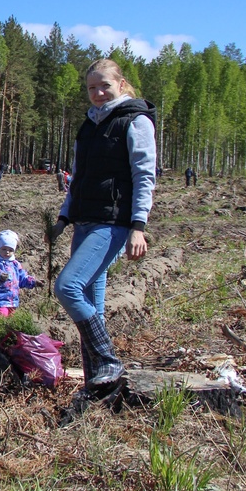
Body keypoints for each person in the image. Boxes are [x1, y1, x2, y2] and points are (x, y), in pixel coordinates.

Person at [48, 59, 156, 401]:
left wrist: (138, 227)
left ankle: (108, 360)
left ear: (121, 85)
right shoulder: (89, 126)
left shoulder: (135, 121)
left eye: (104, 86)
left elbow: (144, 176)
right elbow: (77, 176)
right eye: (91, 88)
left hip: (113, 223)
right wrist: (64, 218)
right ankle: (96, 387)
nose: (98, 93)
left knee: (68, 287)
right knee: (92, 306)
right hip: (83, 221)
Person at [0, 230, 38, 316]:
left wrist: (33, 282)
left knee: (11, 320)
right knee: (2, 318)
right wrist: (0, 276)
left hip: (13, 301)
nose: (7, 252)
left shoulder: (15, 264)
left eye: (10, 250)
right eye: (4, 249)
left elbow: (22, 278)